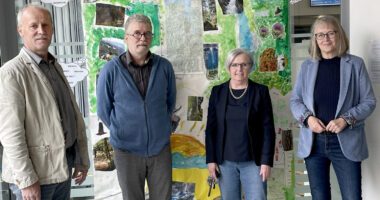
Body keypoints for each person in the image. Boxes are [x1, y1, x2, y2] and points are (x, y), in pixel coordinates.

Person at [0, 4, 90, 200]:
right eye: (34, 26)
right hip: (36, 176)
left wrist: (81, 158)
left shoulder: (54, 65)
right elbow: (10, 134)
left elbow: (71, 115)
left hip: (62, 166)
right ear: (20, 31)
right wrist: (27, 180)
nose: (41, 31)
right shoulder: (11, 73)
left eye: (46, 25)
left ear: (52, 30)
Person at [290, 15, 376, 200]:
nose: (325, 39)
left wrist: (346, 119)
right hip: (314, 143)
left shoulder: (355, 64)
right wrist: (308, 119)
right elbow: (295, 100)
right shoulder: (307, 66)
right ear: (314, 39)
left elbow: (369, 101)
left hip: (345, 141)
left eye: (330, 33)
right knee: (319, 197)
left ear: (339, 35)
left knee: (352, 197)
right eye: (320, 35)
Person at [96, 14, 176, 200]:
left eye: (147, 33)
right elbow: (103, 110)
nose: (143, 38)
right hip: (126, 151)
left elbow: (170, 103)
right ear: (126, 37)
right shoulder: (110, 70)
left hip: (160, 149)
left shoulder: (164, 67)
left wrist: (162, 128)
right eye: (137, 33)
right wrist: (122, 129)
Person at [205, 48, 276, 200]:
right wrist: (211, 160)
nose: (239, 69)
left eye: (244, 64)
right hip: (225, 163)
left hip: (254, 163)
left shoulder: (260, 91)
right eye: (235, 65)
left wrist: (266, 162)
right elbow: (211, 129)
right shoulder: (217, 92)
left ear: (250, 66)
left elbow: (268, 129)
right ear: (228, 67)